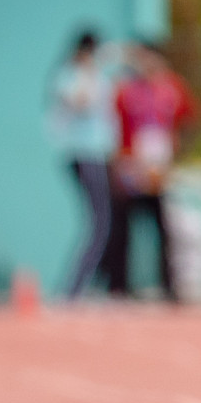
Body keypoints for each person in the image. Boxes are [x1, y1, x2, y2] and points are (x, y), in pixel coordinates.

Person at [105, 43, 199, 300]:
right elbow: (113, 129)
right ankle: (118, 287)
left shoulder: (173, 89)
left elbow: (189, 120)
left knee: (163, 228)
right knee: (122, 226)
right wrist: (119, 165)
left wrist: (176, 155)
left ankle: (170, 287)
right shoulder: (125, 91)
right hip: (131, 166)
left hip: (159, 167)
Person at [48, 30, 118, 299]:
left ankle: (83, 286)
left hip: (99, 155)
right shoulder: (69, 75)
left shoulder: (99, 77)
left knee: (103, 223)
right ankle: (73, 290)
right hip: (82, 154)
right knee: (100, 223)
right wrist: (89, 70)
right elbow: (82, 103)